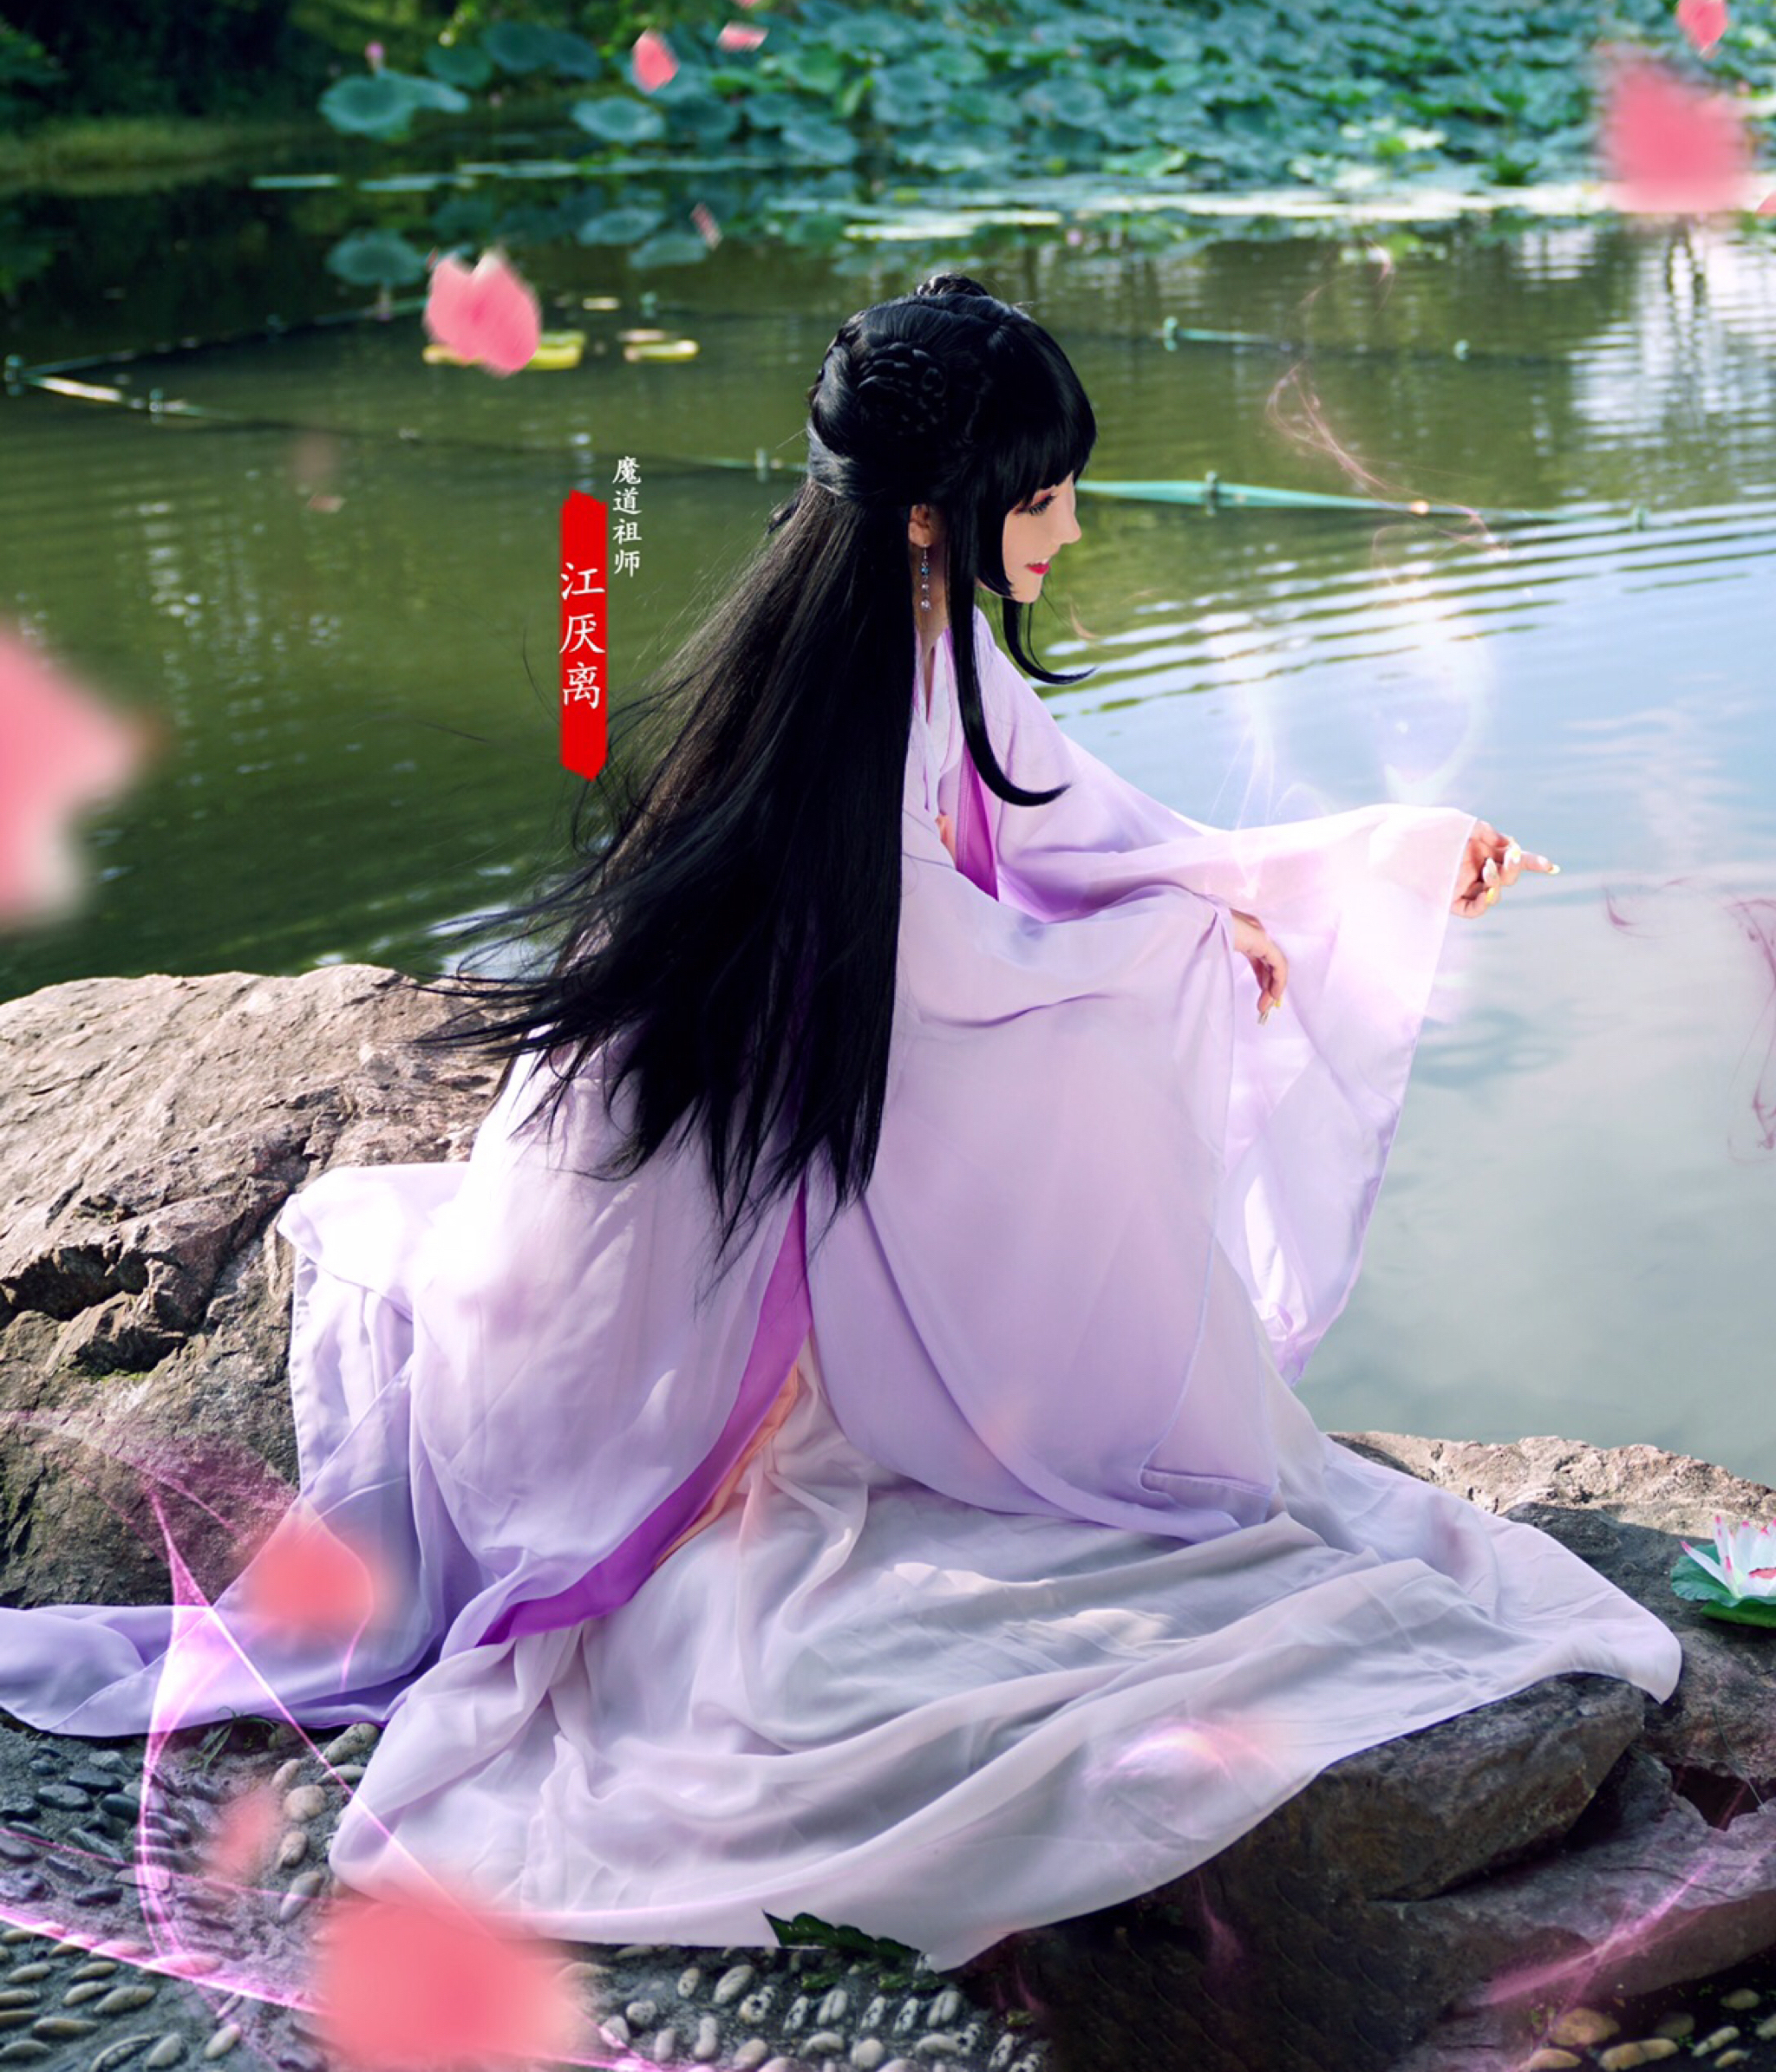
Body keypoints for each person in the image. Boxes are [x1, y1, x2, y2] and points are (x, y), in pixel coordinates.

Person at [0, 273, 1679, 1973]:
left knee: (1119, 1009)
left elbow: (1101, 838)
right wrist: (1185, 947)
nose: (1075, 530)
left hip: (792, 1182)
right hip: (681, 1284)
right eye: (1044, 499)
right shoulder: (843, 715)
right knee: (1095, 1059)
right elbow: (965, 979)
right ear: (942, 519)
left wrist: (1380, 858)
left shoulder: (909, 641)